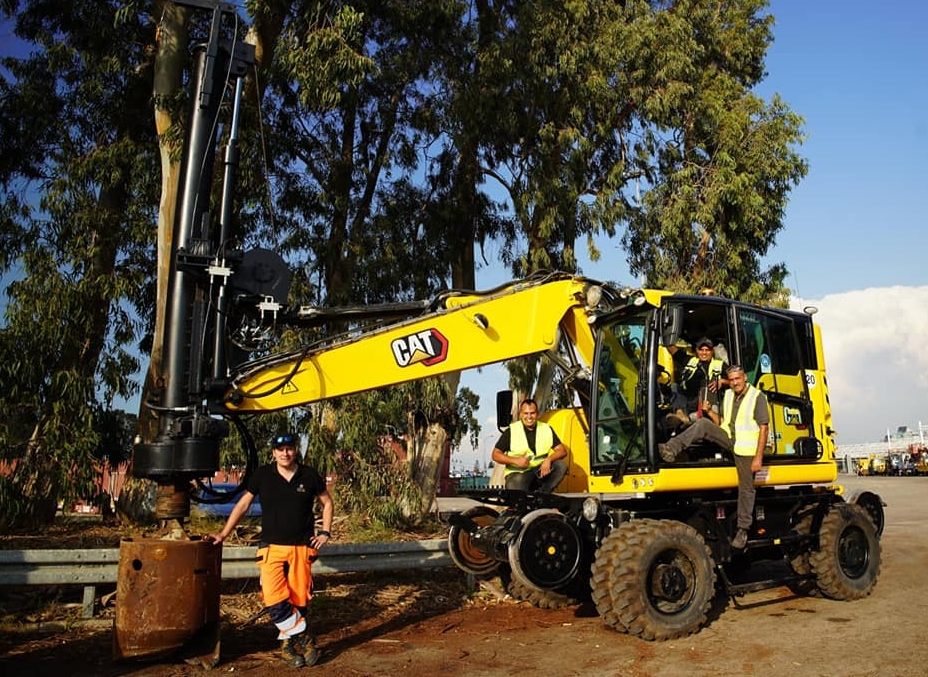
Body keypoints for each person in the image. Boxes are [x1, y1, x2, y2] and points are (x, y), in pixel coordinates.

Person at [207, 432, 334, 668]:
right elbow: (243, 504)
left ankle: (287, 647)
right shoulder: (262, 475)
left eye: (289, 448)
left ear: (295, 450)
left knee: (298, 599)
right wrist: (223, 534)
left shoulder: (309, 475)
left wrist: (325, 532)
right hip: (271, 547)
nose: (285, 453)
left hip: (301, 547)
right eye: (280, 449)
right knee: (274, 598)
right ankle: (305, 637)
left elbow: (327, 502)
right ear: (273, 453)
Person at [659, 366, 768, 549]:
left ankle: (742, 529)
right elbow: (722, 423)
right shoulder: (729, 395)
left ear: (744, 378)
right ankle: (671, 448)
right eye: (731, 380)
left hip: (747, 449)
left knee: (746, 488)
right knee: (702, 424)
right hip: (730, 440)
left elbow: (764, 429)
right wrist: (709, 412)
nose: (734, 383)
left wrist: (758, 458)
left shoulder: (757, 397)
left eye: (737, 379)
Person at [491, 398, 569, 492]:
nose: (529, 417)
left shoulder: (546, 429)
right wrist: (516, 461)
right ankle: (521, 501)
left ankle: (543, 495)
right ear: (520, 414)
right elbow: (495, 454)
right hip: (518, 474)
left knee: (561, 465)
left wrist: (548, 460)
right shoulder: (512, 431)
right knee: (516, 484)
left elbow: (562, 450)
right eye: (526, 413)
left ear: (537, 413)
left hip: (539, 472)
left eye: (532, 413)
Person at [667, 336, 729, 427]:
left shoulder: (720, 365)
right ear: (697, 350)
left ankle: (699, 419)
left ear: (712, 351)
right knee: (674, 386)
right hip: (689, 401)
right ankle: (681, 415)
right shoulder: (690, 361)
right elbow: (673, 350)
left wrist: (722, 381)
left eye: (707, 350)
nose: (704, 353)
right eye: (701, 349)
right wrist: (666, 335)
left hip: (708, 403)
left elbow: (736, 381)